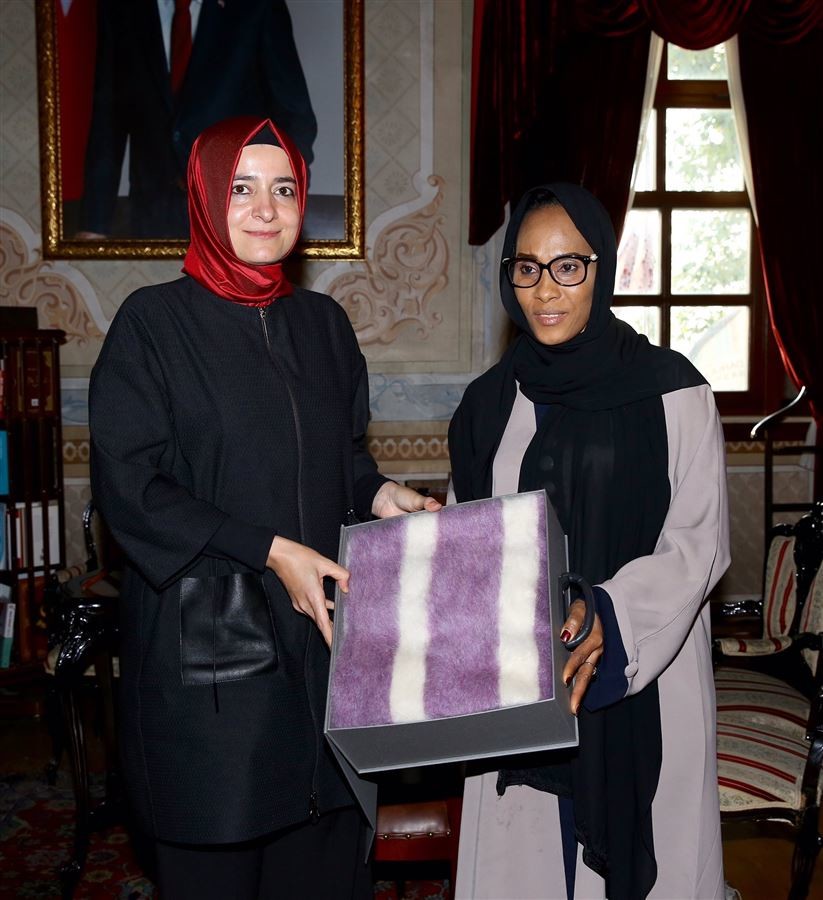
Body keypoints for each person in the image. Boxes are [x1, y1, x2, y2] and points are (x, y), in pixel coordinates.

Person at [89, 115, 439, 899]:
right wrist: (269, 548)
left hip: (326, 653)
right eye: (240, 188)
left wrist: (378, 493)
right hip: (211, 667)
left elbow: (341, 457)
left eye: (283, 189)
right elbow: (131, 488)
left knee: (323, 864)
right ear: (204, 198)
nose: (264, 209)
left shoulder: (324, 325)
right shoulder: (152, 324)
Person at [448, 183, 730, 900]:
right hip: (520, 689)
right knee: (531, 867)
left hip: (641, 676)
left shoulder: (671, 391)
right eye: (527, 268)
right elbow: (466, 545)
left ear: (601, 267)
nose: (546, 290)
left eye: (568, 266)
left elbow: (698, 543)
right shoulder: (486, 405)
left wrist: (609, 611)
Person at [78, 0, 317, 238]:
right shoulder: (121, 9)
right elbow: (107, 124)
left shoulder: (259, 7)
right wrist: (94, 225)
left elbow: (294, 118)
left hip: (238, 215)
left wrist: (282, 203)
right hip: (152, 218)